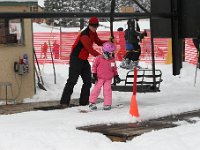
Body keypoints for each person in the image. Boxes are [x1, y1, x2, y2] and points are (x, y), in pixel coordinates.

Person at [60, 17, 108, 107]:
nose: (95, 28)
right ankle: (64, 102)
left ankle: (83, 102)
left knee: (88, 81)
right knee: (72, 80)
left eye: (96, 26)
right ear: (89, 25)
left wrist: (108, 42)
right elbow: (90, 49)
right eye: (93, 26)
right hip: (76, 59)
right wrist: (102, 57)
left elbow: (98, 42)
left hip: (83, 59)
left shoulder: (93, 33)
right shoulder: (84, 35)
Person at [89, 42, 121, 110]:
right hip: (99, 78)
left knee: (107, 91)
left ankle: (107, 104)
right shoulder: (98, 58)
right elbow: (94, 67)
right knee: (96, 90)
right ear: (106, 52)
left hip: (108, 78)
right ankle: (92, 102)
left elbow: (114, 68)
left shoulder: (112, 60)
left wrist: (116, 76)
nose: (112, 53)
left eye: (112, 52)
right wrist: (94, 74)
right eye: (110, 52)